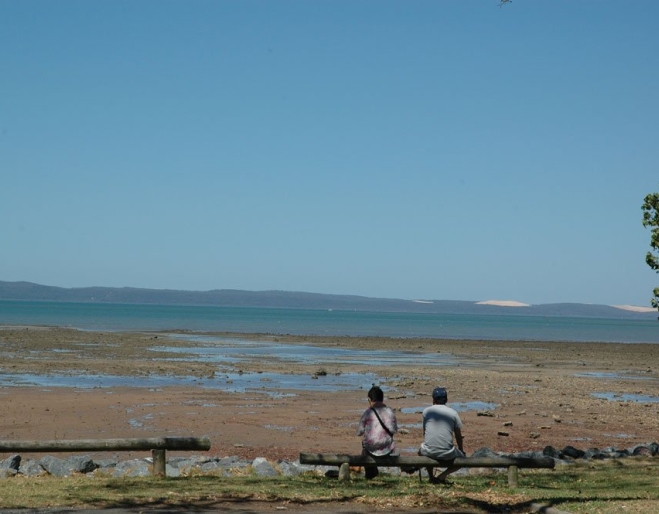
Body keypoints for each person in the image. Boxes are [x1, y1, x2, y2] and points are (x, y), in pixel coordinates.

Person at [419, 386, 465, 484]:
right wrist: (461, 450)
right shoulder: (453, 413)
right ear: (446, 400)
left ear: (433, 399)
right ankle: (442, 476)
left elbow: (425, 432)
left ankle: (431, 477)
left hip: (429, 451)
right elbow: (458, 436)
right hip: (447, 453)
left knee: (423, 451)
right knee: (463, 460)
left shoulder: (427, 411)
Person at [356, 385, 398, 479]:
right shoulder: (390, 412)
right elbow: (394, 430)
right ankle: (371, 472)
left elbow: (359, 432)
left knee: (364, 445)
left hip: (370, 450)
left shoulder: (367, 412)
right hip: (387, 449)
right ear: (382, 399)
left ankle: (370, 472)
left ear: (369, 399)